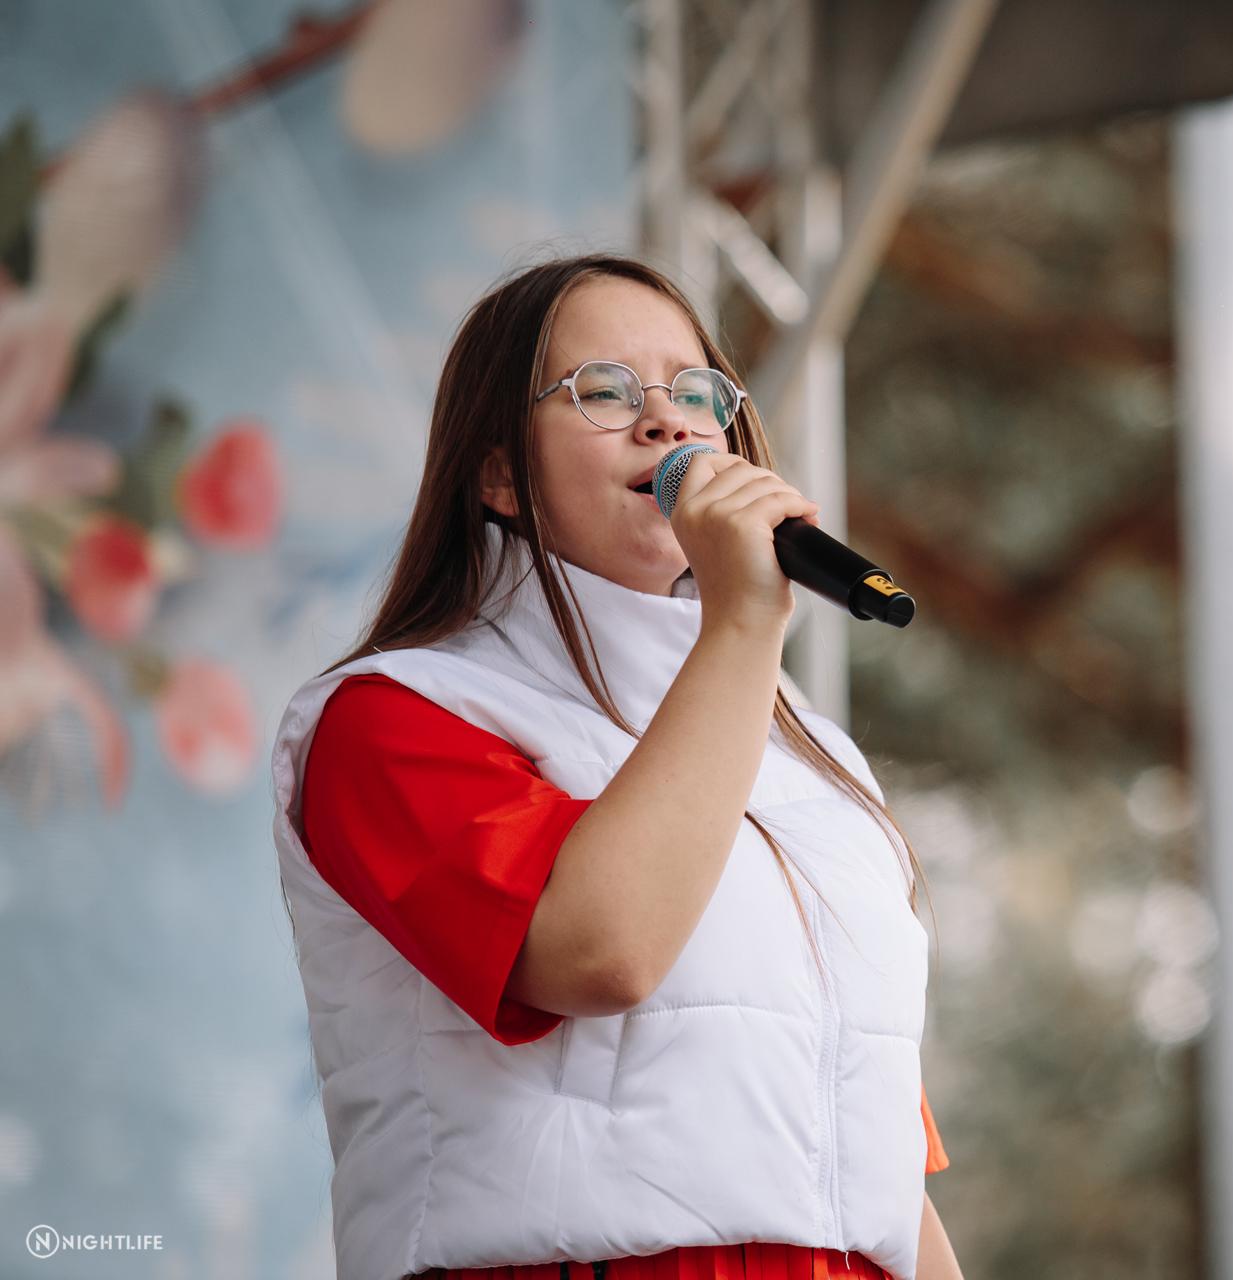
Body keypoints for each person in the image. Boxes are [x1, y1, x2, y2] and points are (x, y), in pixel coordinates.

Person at [267, 253, 962, 1280]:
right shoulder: (390, 718)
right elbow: (601, 953)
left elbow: (884, 1161)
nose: (666, 420)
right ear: (499, 475)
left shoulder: (810, 756)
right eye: (604, 390)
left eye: (695, 392)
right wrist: (742, 618)